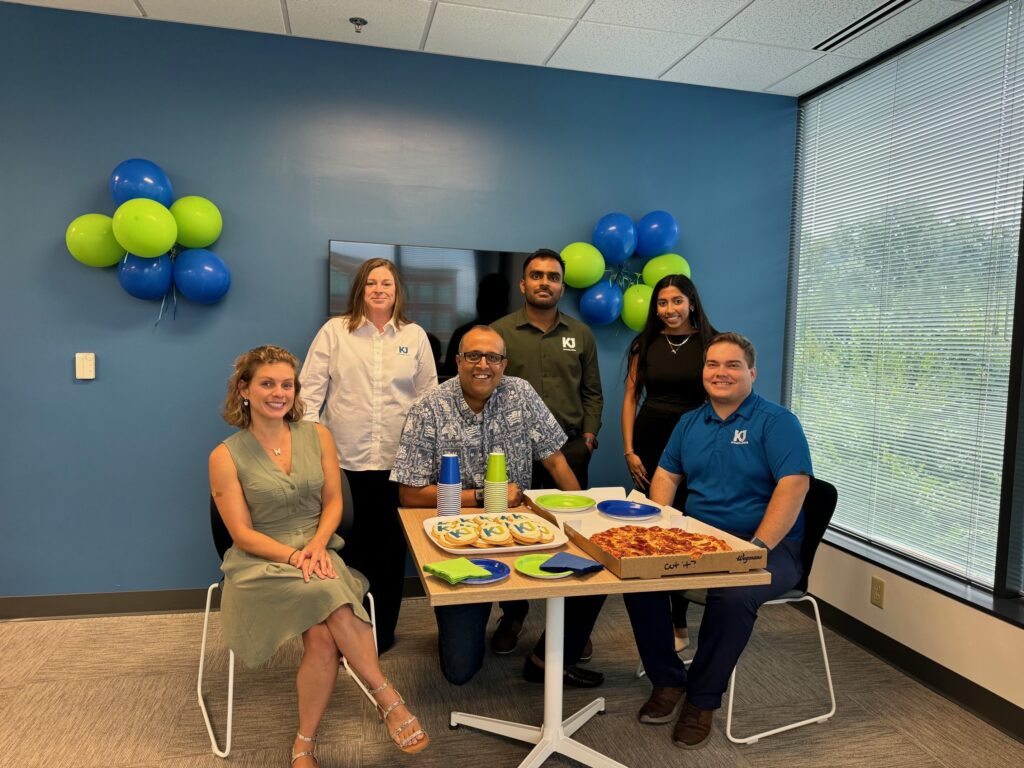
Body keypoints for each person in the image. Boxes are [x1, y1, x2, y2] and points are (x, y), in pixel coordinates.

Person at [209, 345, 429, 764]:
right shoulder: (224, 456)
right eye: (267, 384)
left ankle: (303, 744)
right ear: (244, 390)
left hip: (319, 550)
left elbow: (334, 504)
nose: (279, 393)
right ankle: (387, 698)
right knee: (330, 595)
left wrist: (313, 547)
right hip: (261, 562)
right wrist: (295, 558)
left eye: (287, 384)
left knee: (324, 637)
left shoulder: (318, 435)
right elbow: (240, 533)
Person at [391, 325, 606, 688]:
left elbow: (555, 461)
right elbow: (409, 495)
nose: (483, 365)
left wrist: (582, 521)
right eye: (473, 355)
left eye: (493, 357)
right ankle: (490, 618)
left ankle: (546, 657)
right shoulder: (428, 409)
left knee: (596, 565)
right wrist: (481, 496)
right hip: (458, 539)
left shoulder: (520, 394)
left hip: (521, 531)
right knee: (459, 672)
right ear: (458, 361)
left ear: (504, 364)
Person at [624, 333, 812, 750]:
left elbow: (794, 485)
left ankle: (702, 698)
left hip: (770, 546)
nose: (721, 373)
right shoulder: (690, 422)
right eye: (713, 364)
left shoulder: (776, 422)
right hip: (702, 540)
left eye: (732, 365)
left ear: (751, 373)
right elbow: (668, 474)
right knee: (637, 579)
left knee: (733, 592)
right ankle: (668, 680)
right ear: (703, 371)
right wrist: (660, 530)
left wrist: (757, 548)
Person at [299, 258, 437, 653]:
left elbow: (428, 398)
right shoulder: (334, 332)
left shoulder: (414, 334)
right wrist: (315, 446)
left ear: (398, 291)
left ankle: (381, 635)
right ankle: (347, 636)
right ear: (360, 288)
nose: (380, 289)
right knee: (348, 550)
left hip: (399, 464)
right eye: (372, 282)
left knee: (390, 553)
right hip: (344, 463)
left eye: (387, 284)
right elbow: (309, 394)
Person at [489, 249, 604, 654]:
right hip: (513, 452)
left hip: (569, 451)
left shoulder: (580, 333)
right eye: (536, 275)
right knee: (513, 535)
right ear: (523, 284)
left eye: (552, 277)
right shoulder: (499, 332)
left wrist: (588, 438)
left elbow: (593, 391)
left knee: (570, 534)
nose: (544, 282)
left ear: (562, 285)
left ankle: (572, 626)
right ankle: (514, 613)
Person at [622, 274, 718, 653]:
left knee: (686, 530)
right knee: (652, 532)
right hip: (648, 440)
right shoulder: (643, 343)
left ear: (691, 303)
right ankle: (657, 618)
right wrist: (629, 450)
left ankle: (680, 618)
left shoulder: (712, 343)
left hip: (696, 442)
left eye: (677, 301)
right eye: (662, 303)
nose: (669, 309)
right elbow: (631, 396)